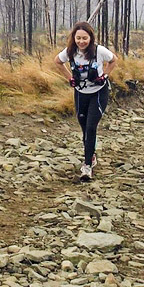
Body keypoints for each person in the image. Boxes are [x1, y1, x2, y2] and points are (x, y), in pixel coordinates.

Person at [53, 22, 118, 182]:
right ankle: (92, 154)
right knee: (84, 127)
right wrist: (70, 78)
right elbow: (57, 61)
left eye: (85, 38)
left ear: (91, 38)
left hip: (98, 93)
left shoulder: (99, 51)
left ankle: (87, 165)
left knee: (91, 127)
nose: (81, 42)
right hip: (81, 93)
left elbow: (114, 60)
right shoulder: (70, 52)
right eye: (78, 38)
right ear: (74, 38)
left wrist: (105, 75)